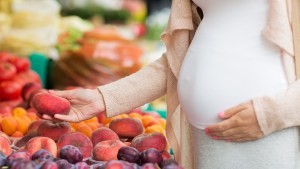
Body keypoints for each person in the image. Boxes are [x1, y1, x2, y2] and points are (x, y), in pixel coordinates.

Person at [44, 0, 300, 168]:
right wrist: (104, 98)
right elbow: (178, 59)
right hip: (203, 137)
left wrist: (270, 114)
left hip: (268, 132)